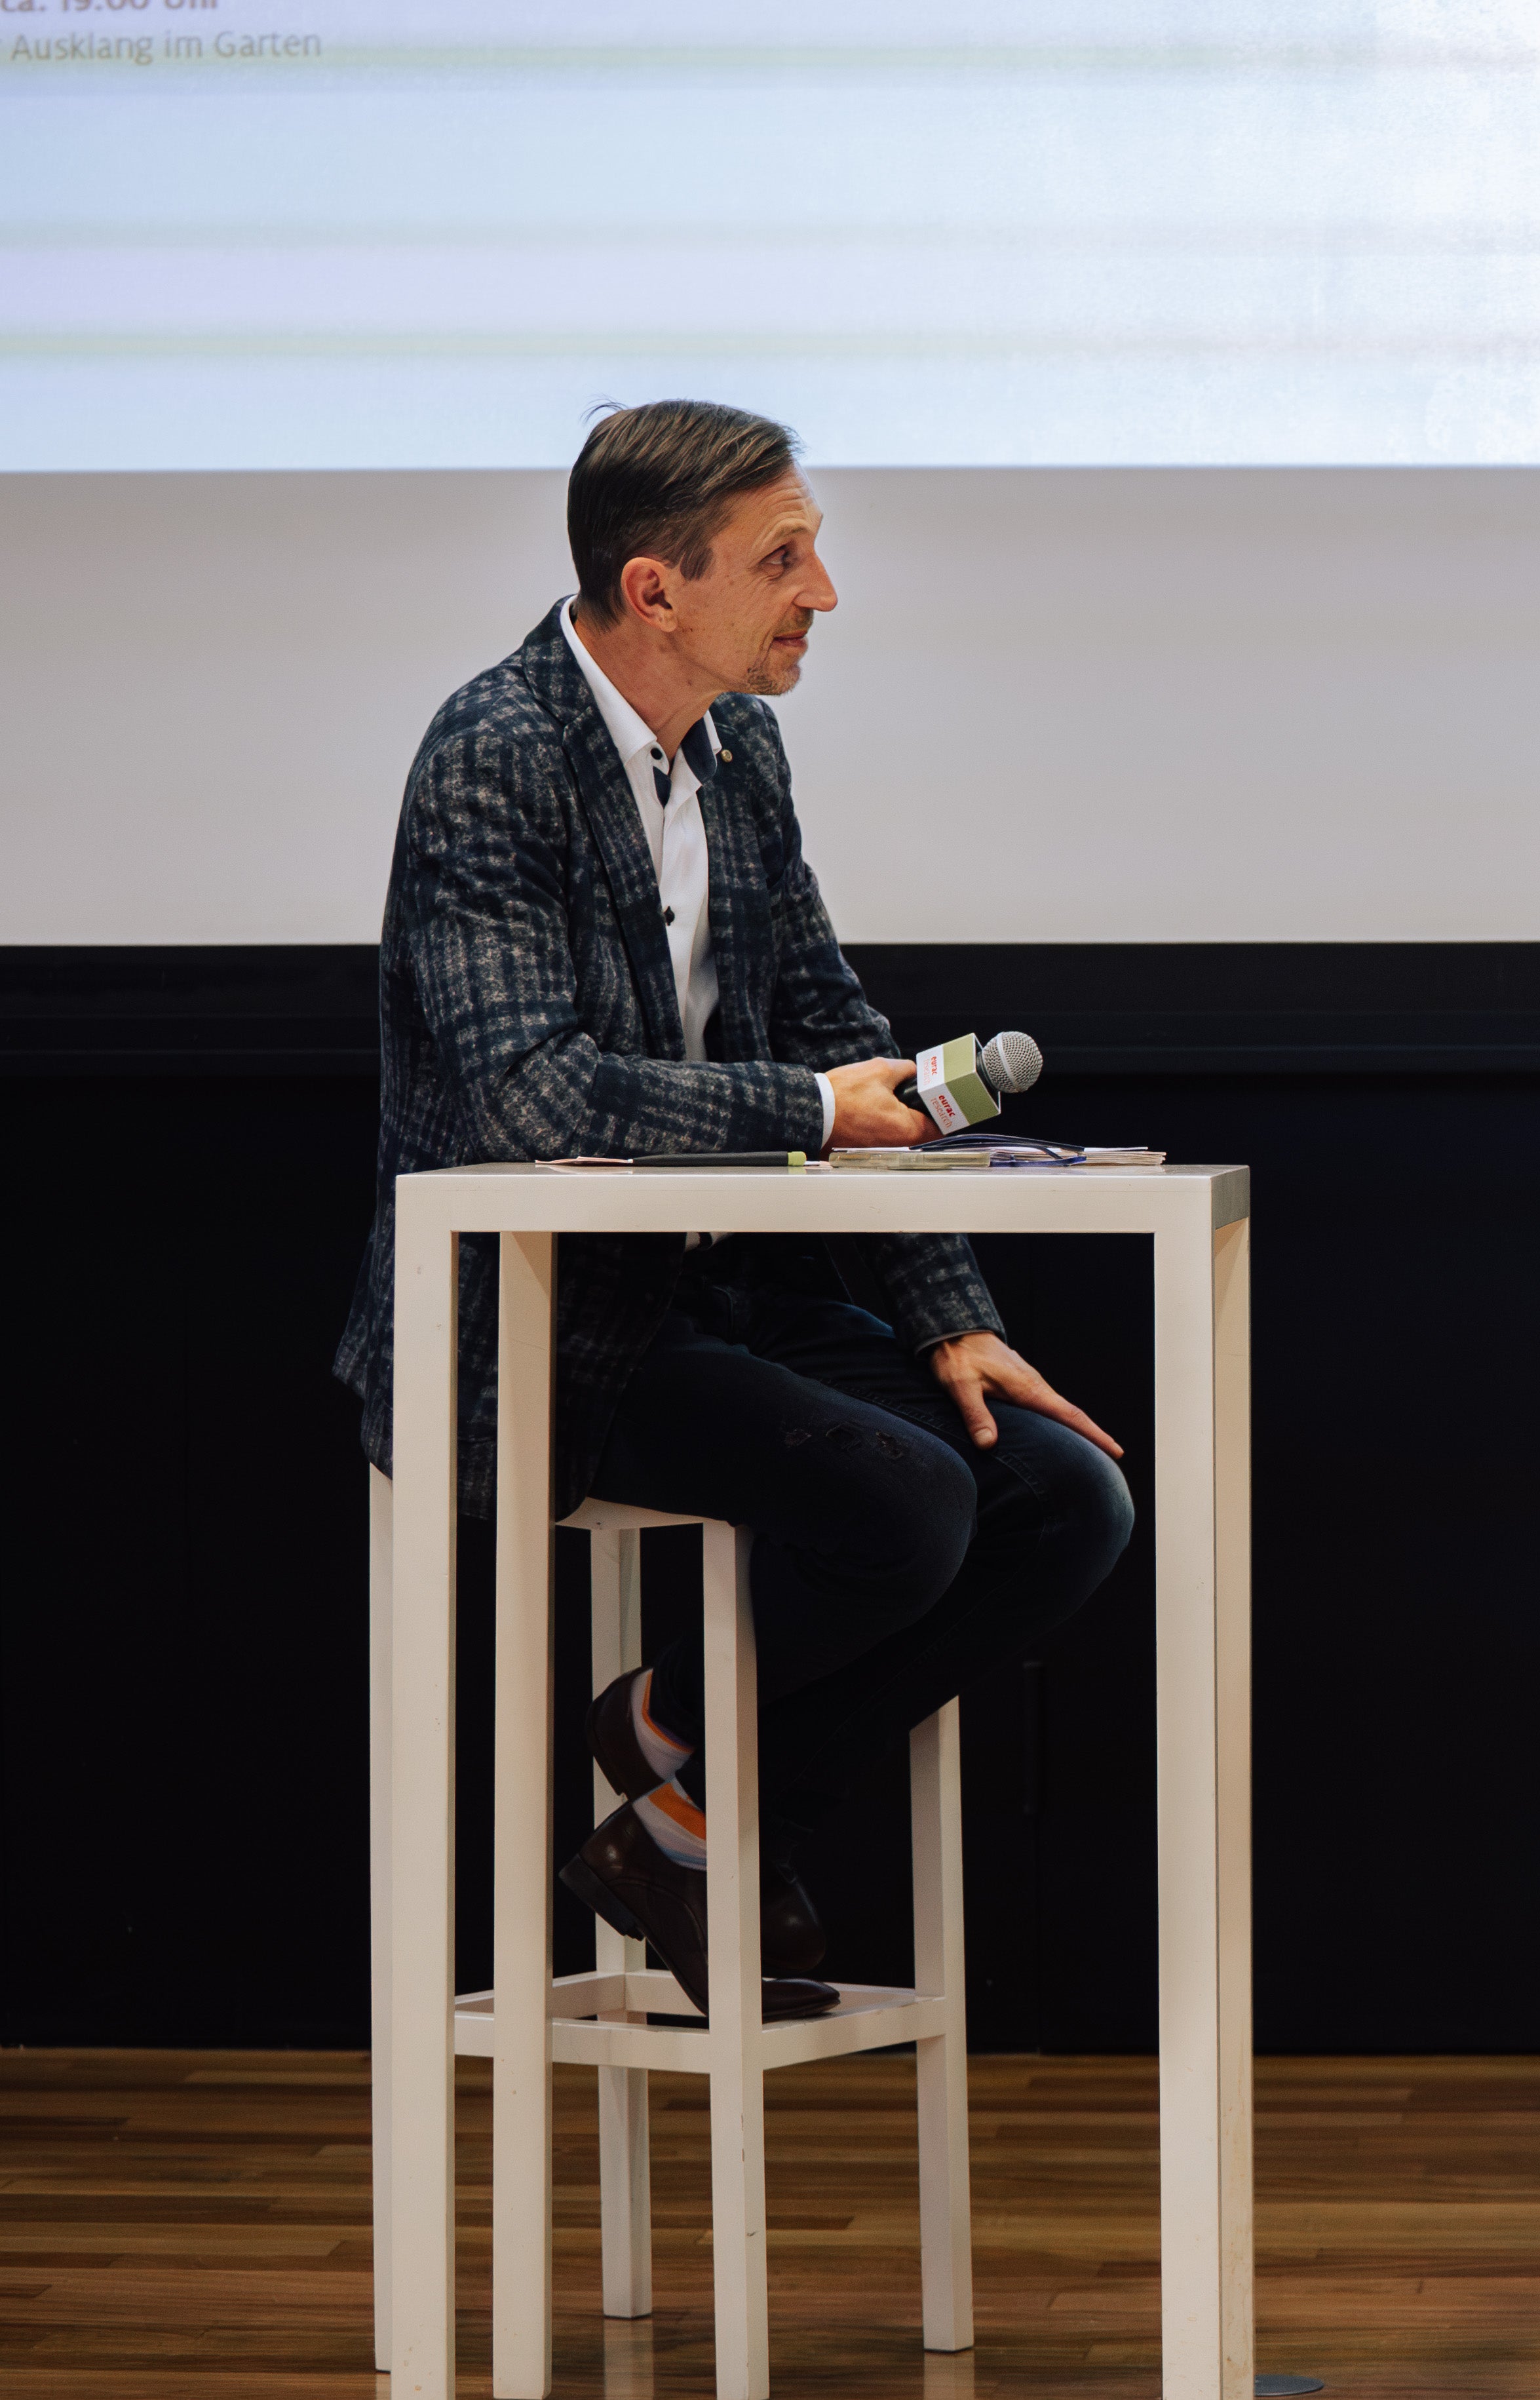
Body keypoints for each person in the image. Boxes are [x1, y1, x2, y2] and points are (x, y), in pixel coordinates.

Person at [334, 401, 1134, 2022]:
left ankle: (677, 1803)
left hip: (718, 1296)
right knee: (903, 1504)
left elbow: (833, 1024)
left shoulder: (740, 750)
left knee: (1063, 1495)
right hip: (540, 1329)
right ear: (654, 587)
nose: (821, 592)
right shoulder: (494, 751)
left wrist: (951, 1316)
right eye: (783, 559)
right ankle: (684, 1780)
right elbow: (530, 1094)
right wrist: (806, 1110)